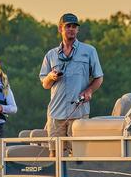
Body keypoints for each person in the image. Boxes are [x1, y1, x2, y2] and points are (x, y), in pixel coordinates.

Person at [39, 13, 104, 157]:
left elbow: (99, 77)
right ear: (60, 29)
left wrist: (89, 90)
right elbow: (45, 84)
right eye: (68, 26)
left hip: (78, 112)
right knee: (55, 155)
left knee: (78, 155)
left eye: (74, 27)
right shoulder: (51, 55)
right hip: (56, 113)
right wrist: (51, 76)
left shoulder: (89, 51)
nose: (71, 29)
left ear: (78, 30)